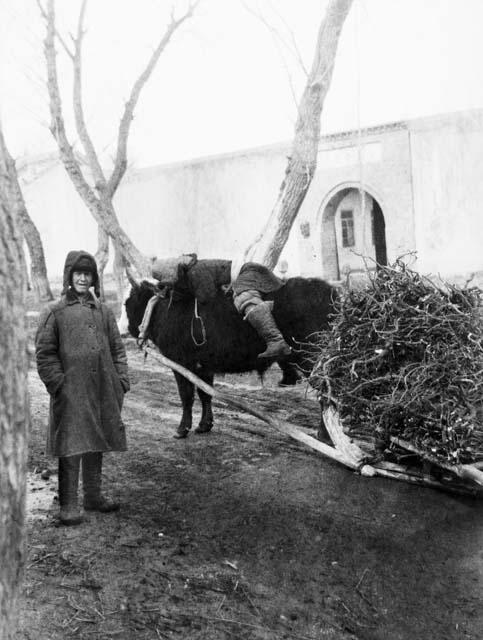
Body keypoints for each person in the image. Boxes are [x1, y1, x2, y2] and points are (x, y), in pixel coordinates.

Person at [35, 250, 130, 526]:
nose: (82, 279)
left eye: (87, 274)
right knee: (71, 444)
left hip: (102, 389)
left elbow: (117, 349)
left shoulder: (103, 311)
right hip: (71, 392)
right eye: (78, 273)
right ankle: (68, 505)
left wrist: (121, 381)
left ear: (93, 278)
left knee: (96, 440)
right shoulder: (54, 312)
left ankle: (93, 496)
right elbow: (45, 354)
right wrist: (59, 384)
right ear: (69, 276)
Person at [151, 254, 291, 359]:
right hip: (243, 275)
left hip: (248, 273)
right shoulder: (188, 272)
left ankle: (276, 340)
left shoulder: (196, 271)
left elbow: (207, 296)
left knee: (243, 299)